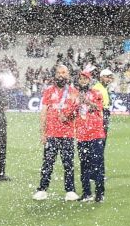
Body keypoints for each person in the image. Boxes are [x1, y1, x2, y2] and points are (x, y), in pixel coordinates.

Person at [36, 63, 81, 201]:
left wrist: (68, 116)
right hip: (51, 134)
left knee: (68, 163)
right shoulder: (48, 91)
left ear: (68, 75)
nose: (62, 75)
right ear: (55, 75)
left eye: (64, 73)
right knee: (47, 163)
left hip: (67, 134)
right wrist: (43, 133)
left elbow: (77, 112)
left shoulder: (74, 92)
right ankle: (42, 189)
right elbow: (43, 113)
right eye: (59, 73)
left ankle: (70, 190)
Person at [73, 78, 107, 203]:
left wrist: (86, 101)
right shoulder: (75, 94)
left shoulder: (96, 93)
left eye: (85, 79)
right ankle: (86, 193)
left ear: (89, 81)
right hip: (82, 135)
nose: (83, 81)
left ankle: (100, 193)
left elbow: (98, 108)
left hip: (96, 134)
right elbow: (72, 111)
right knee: (84, 165)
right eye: (81, 79)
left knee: (97, 164)